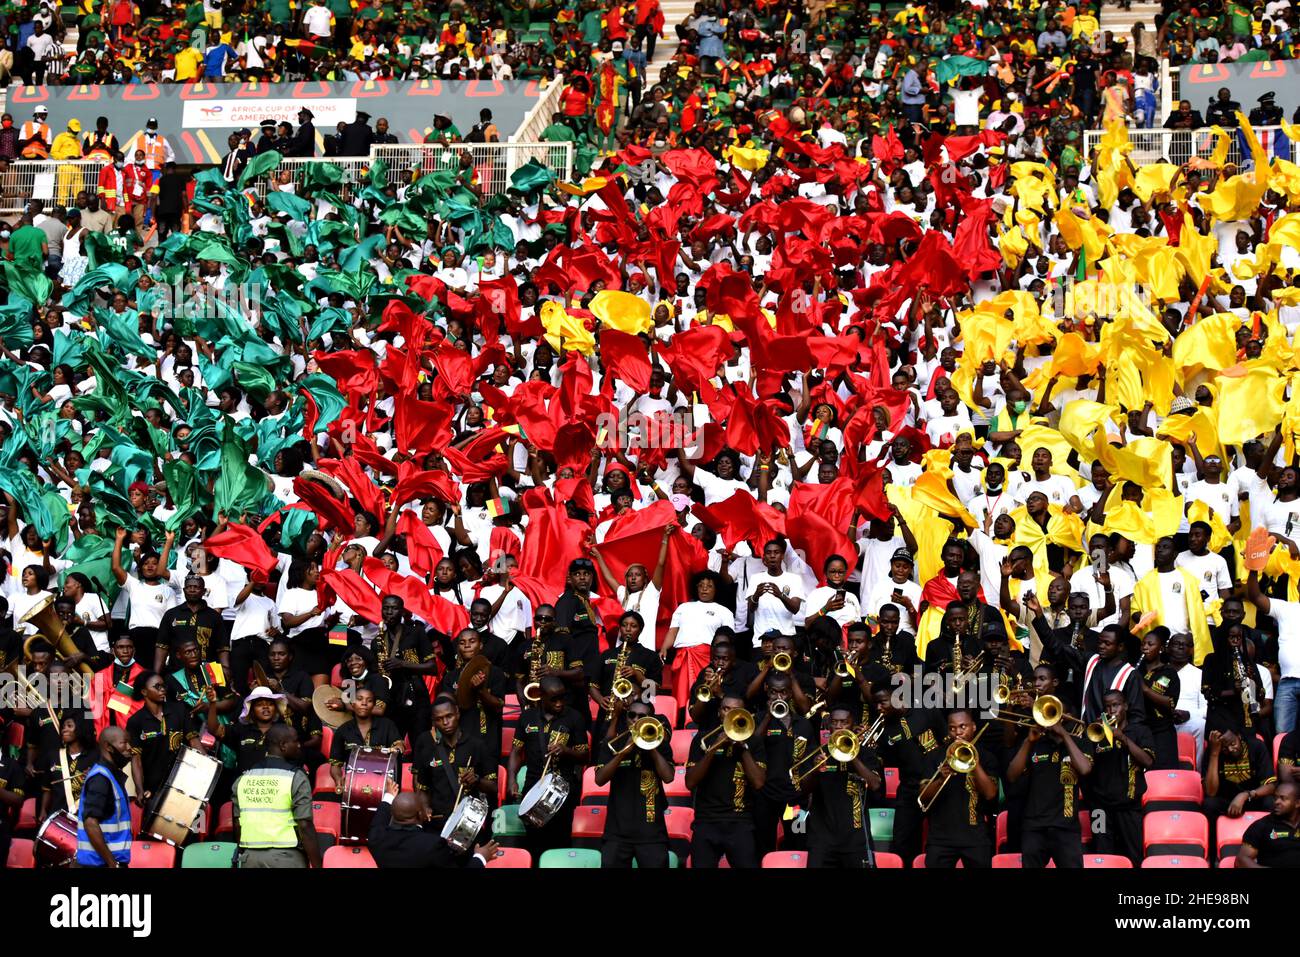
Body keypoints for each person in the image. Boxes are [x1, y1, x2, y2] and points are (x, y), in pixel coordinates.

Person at [1007, 681, 1094, 868]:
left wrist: (1064, 735)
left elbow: (1085, 769)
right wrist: (1028, 742)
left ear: (1069, 717)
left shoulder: (1080, 744)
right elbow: (1012, 775)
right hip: (1034, 827)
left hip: (1066, 827)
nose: (1056, 720)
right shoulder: (1036, 742)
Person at [506, 675, 587, 861]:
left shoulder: (574, 717)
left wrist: (566, 751)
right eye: (554, 699)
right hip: (532, 789)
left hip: (563, 792)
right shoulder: (527, 718)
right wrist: (511, 779)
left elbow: (584, 756)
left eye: (562, 697)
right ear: (541, 696)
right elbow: (516, 751)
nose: (559, 703)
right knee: (534, 843)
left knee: (560, 845)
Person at [685, 694, 766, 868]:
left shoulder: (754, 742)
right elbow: (690, 782)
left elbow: (759, 783)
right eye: (726, 709)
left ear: (744, 714)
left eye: (736, 711)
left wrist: (742, 748)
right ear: (719, 713)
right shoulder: (702, 739)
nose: (730, 714)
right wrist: (714, 748)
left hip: (740, 822)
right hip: (706, 821)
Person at [594, 697, 674, 867]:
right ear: (627, 718)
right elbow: (600, 779)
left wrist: (650, 747)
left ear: (651, 720)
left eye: (642, 717)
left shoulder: (661, 744)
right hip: (617, 833)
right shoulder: (613, 744)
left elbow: (668, 777)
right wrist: (623, 752)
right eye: (632, 715)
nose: (636, 720)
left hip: (652, 834)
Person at [231, 724, 322, 868]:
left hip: (250, 858)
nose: (299, 745)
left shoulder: (244, 778)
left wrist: (241, 854)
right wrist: (317, 865)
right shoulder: (296, 777)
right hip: (286, 858)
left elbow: (237, 824)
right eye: (295, 741)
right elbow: (304, 825)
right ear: (283, 745)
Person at [918, 709, 998, 868]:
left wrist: (973, 762)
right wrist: (941, 779)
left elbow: (990, 794)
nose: (958, 732)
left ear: (973, 727)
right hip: (940, 838)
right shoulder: (935, 757)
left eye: (963, 726)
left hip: (976, 838)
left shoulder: (987, 757)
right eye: (952, 728)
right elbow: (923, 797)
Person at [1081, 690, 1154, 865]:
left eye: (1116, 705)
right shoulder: (1096, 732)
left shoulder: (1140, 731)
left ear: (1126, 706)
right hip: (1100, 809)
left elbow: (1148, 761)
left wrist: (1122, 738)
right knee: (1102, 857)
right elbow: (1085, 768)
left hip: (1129, 807)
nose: (1111, 710)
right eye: (1107, 706)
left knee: (1133, 857)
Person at [368, 776, 498, 868]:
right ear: (420, 814)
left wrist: (389, 796)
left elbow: (380, 817)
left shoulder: (376, 838)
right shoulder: (433, 845)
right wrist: (480, 858)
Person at [410, 696, 496, 830]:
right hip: (437, 823)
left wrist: (477, 781)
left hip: (468, 822)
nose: (445, 722)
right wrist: (425, 807)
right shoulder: (429, 749)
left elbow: (493, 787)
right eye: (439, 719)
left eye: (449, 716)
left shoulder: (477, 745)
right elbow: (423, 790)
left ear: (457, 713)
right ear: (433, 722)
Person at [75, 727, 135, 868]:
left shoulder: (109, 776)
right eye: (124, 743)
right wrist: (112, 863)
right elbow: (90, 823)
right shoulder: (101, 779)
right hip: (100, 864)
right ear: (109, 747)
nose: (129, 748)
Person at [1236, 779, 1300, 867]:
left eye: (1283, 798)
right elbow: (1241, 860)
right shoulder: (1261, 826)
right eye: (1275, 797)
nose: (1277, 802)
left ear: (1297, 803)